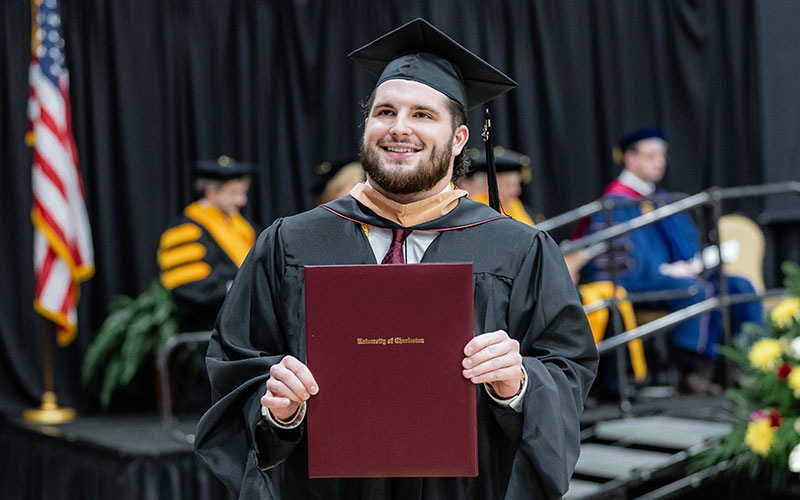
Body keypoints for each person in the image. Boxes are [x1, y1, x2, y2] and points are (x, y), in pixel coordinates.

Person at [194, 18, 597, 500]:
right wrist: (278, 409)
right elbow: (236, 368)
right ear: (367, 126)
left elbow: (568, 368)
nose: (400, 128)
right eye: (385, 111)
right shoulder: (290, 243)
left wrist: (519, 384)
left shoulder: (518, 249)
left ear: (459, 139)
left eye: (423, 115)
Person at [579, 126, 762, 392]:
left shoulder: (663, 199)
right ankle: (693, 371)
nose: (660, 162)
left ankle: (739, 365)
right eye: (651, 156)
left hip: (678, 277)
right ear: (630, 158)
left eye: (662, 155)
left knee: (739, 286)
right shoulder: (614, 204)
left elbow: (688, 243)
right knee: (696, 290)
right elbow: (621, 265)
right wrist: (666, 271)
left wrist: (694, 263)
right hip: (637, 281)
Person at [157, 155, 256, 332]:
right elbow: (192, 289)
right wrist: (241, 289)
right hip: (208, 332)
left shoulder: (242, 227)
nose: (242, 201)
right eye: (234, 193)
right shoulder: (186, 230)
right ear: (211, 192)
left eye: (243, 193)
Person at [457, 146, 537, 225]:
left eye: (517, 185)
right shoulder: (476, 211)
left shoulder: (514, 204)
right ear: (487, 186)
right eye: (507, 185)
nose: (517, 191)